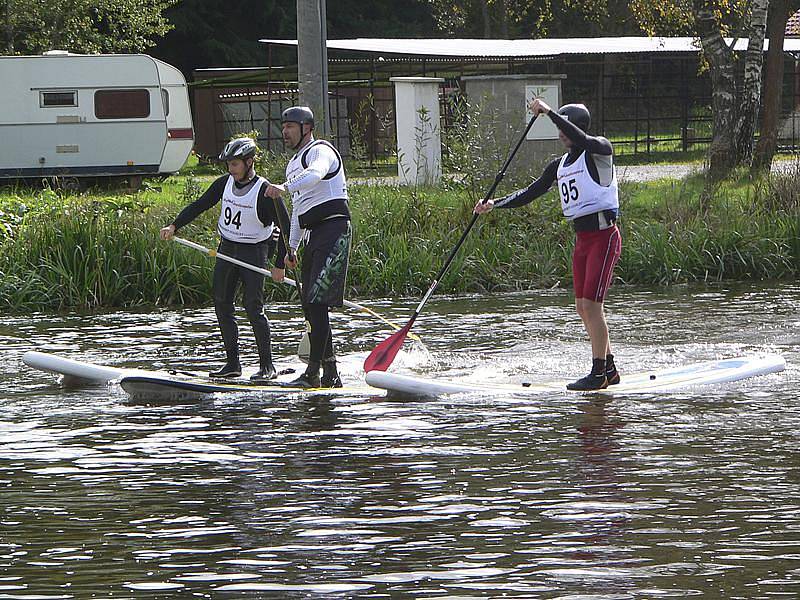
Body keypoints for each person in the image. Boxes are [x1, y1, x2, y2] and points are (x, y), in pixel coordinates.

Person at [474, 100, 622, 391]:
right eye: (558, 128)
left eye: (564, 127)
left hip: (604, 237)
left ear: (578, 126)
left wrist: (550, 112)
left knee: (593, 306)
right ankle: (610, 369)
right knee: (582, 306)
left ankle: (598, 373)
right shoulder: (560, 166)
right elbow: (531, 192)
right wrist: (495, 205)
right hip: (583, 240)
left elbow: (583, 139)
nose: (561, 133)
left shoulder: (600, 150)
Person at [160, 137, 289, 381]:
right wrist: (174, 225)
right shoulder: (224, 183)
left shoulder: (265, 191)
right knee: (222, 303)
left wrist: (280, 264)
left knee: (253, 307)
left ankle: (267, 366)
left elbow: (286, 227)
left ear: (249, 162)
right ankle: (232, 364)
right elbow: (200, 205)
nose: (231, 170)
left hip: (254, 252)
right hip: (227, 250)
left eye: (235, 165)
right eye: (229, 165)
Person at [266, 106, 351, 389]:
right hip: (313, 234)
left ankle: (313, 372)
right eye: (284, 126)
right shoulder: (292, 165)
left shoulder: (321, 151)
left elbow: (315, 175)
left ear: (306, 128)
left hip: (334, 229)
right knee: (311, 307)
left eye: (291, 126)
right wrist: (291, 247)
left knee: (316, 301)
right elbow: (299, 210)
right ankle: (331, 372)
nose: (285, 132)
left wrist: (284, 187)